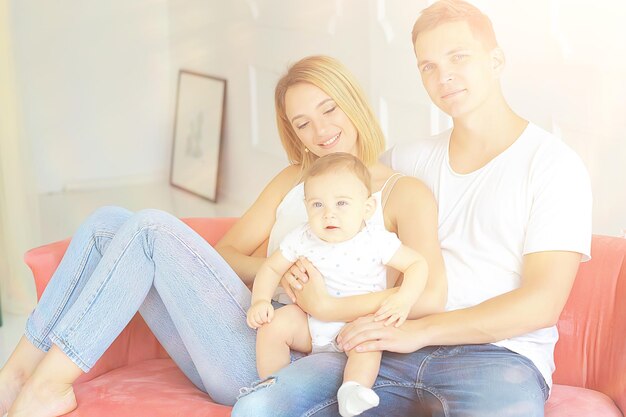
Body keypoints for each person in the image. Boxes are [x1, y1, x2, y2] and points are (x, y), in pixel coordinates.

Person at [0, 55, 446, 417]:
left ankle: (49, 383)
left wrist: (326, 303)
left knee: (150, 227)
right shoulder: (295, 178)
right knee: (105, 223)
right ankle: (16, 375)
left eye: (329, 109)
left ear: (353, 103)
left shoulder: (400, 191)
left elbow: (429, 298)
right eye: (302, 123)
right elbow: (228, 252)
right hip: (249, 325)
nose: (322, 131)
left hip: (296, 357)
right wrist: (284, 271)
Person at [232, 1, 592, 416]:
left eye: (459, 57)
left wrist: (417, 331)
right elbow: (337, 217)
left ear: (496, 60)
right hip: (382, 347)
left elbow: (541, 304)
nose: (445, 76)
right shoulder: (407, 160)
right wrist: (292, 274)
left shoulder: (552, 165)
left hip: (497, 358)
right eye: (428, 66)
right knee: (257, 409)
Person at [247, 153, 429, 417]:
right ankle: (275, 383)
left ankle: (352, 389)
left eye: (341, 203)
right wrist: (260, 300)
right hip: (308, 324)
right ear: (306, 206)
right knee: (273, 325)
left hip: (356, 324)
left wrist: (403, 299)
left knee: (369, 343)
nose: (329, 214)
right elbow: (271, 267)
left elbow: (417, 265)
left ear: (367, 208)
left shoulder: (376, 239)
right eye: (317, 204)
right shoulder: (302, 236)